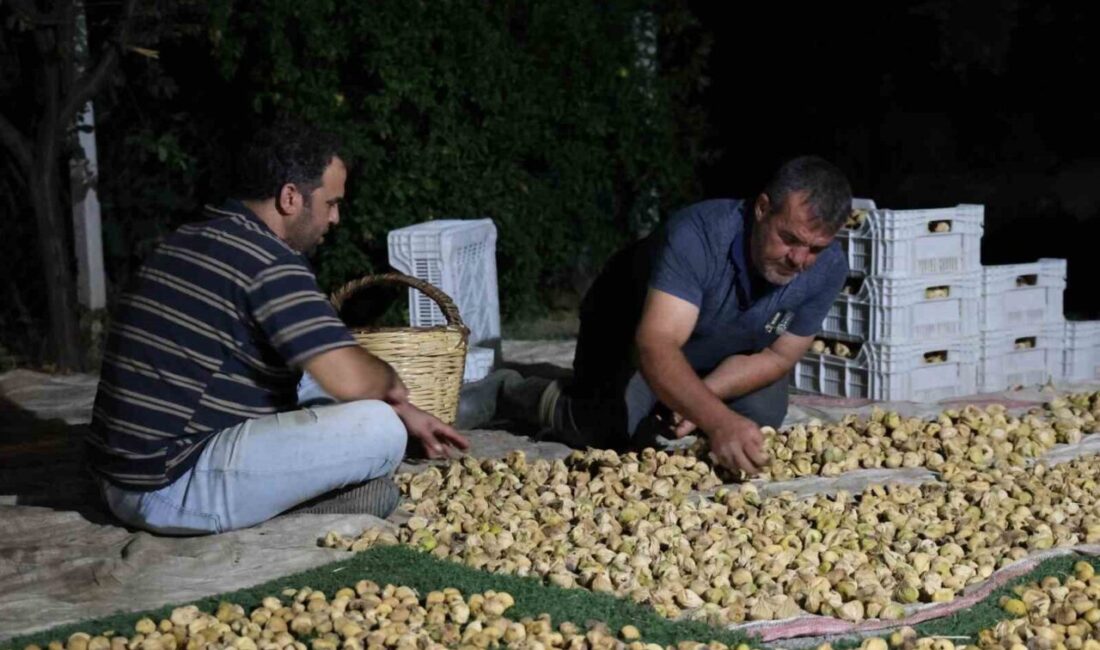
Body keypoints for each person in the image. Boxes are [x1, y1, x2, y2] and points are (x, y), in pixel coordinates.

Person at [86, 121, 468, 535]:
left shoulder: (189, 239)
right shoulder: (268, 261)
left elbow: (312, 368)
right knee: (380, 428)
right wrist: (396, 395)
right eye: (330, 203)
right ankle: (304, 505)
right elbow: (352, 377)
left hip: (114, 476)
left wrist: (397, 406)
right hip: (168, 486)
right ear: (290, 197)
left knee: (312, 386)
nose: (335, 218)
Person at [499, 155, 851, 474]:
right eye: (789, 238)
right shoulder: (697, 235)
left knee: (762, 416)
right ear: (762, 209)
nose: (799, 259)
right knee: (613, 427)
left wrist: (703, 399)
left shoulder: (829, 267)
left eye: (815, 248)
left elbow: (778, 356)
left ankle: (680, 400)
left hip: (714, 348)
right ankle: (514, 392)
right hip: (628, 333)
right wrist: (716, 420)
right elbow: (656, 344)